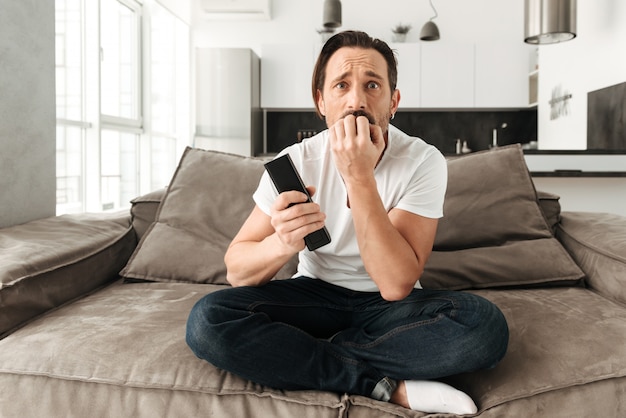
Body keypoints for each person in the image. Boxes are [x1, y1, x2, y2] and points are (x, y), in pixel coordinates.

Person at [186, 30, 509, 414]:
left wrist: (359, 176)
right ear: (322, 101)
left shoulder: (423, 161)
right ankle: (380, 384)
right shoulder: (295, 162)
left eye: (372, 85)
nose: (357, 100)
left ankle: (307, 353)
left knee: (483, 328)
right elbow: (238, 271)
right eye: (342, 85)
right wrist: (283, 243)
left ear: (393, 102)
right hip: (313, 293)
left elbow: (394, 284)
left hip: (390, 309)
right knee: (209, 320)